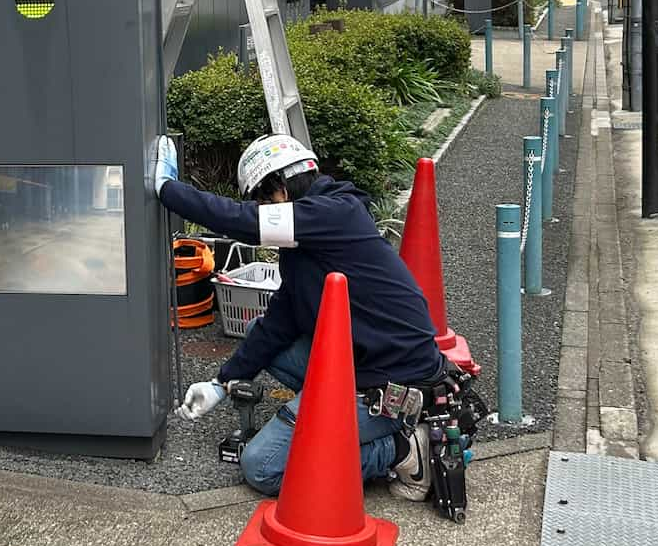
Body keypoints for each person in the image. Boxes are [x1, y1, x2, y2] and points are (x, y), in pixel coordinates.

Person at [147, 133, 445, 500]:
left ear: (281, 187)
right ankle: (326, 422)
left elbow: (246, 222)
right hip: (359, 363)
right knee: (260, 330)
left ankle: (402, 450)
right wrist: (221, 383)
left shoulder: (337, 212)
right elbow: (277, 324)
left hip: (392, 383)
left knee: (263, 467)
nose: (261, 207)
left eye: (263, 198)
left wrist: (168, 189)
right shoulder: (304, 244)